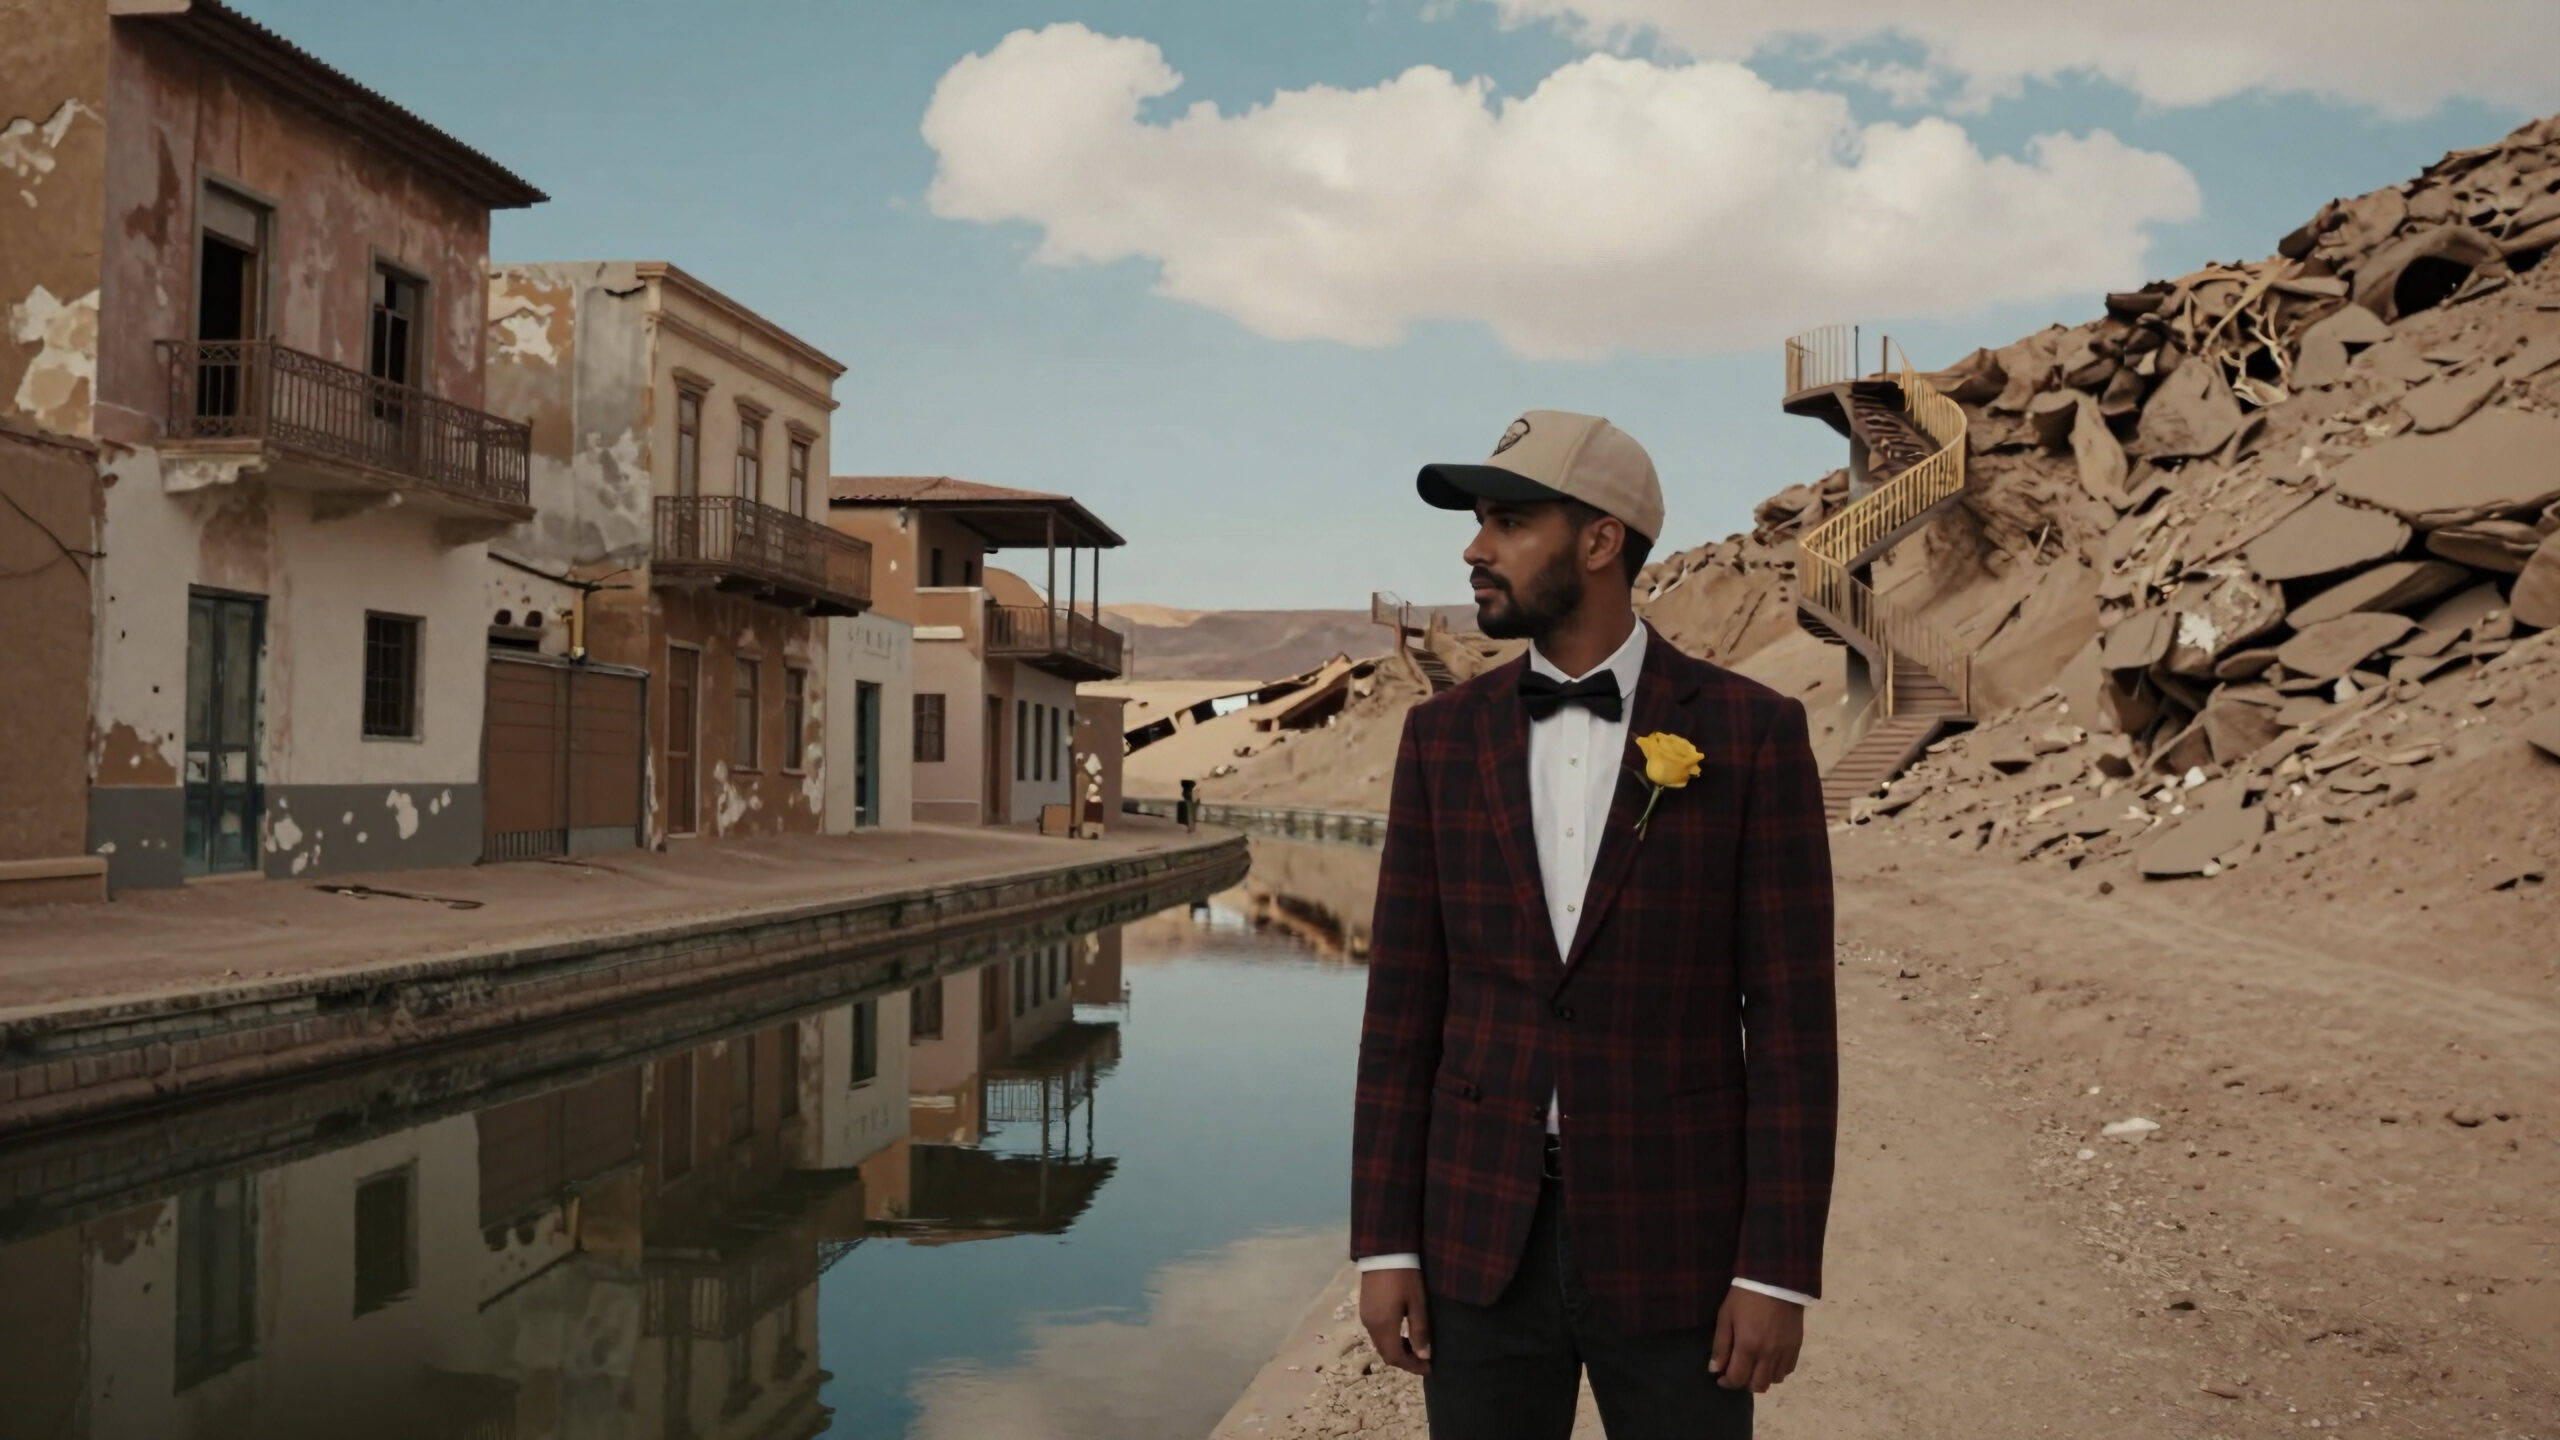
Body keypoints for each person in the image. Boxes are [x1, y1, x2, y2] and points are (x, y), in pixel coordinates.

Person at [1351, 410, 1838, 1438]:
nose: (1475, 549)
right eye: (1479, 522)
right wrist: (1384, 1245)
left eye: (1509, 521)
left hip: (1683, 1242)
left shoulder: (1752, 734)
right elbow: (1403, 1012)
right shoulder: (1440, 739)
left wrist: (1776, 1268)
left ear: (1600, 539)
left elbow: (1792, 1024)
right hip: (1477, 1242)